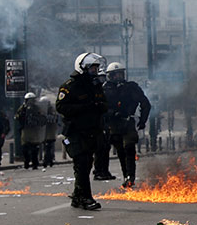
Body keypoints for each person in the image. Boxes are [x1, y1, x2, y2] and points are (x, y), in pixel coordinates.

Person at [56, 53, 108, 210]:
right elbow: (61, 107)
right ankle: (86, 198)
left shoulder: (95, 85)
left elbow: (104, 103)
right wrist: (84, 108)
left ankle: (78, 197)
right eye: (92, 67)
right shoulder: (70, 86)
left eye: (96, 68)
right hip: (76, 132)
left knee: (86, 165)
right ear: (82, 68)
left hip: (92, 131)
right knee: (82, 164)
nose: (95, 70)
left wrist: (100, 107)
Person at [103, 62, 151, 188]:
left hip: (127, 122)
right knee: (120, 151)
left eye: (120, 74)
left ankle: (131, 176)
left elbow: (145, 103)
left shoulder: (131, 87)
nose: (118, 77)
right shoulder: (105, 89)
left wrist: (142, 121)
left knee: (129, 148)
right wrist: (111, 114)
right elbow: (99, 107)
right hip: (113, 124)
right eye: (115, 75)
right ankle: (126, 175)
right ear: (110, 76)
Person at [92, 67, 116, 181]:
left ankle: (105, 170)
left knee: (106, 148)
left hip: (106, 122)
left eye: (103, 78)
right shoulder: (93, 91)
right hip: (97, 124)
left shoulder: (106, 91)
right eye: (99, 78)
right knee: (99, 149)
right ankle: (98, 171)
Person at [15, 92, 41, 169]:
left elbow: (42, 118)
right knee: (25, 148)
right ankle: (26, 163)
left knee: (34, 149)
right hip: (25, 131)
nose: (31, 102)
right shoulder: (22, 108)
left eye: (32, 100)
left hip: (34, 130)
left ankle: (35, 164)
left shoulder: (37, 108)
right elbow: (17, 116)